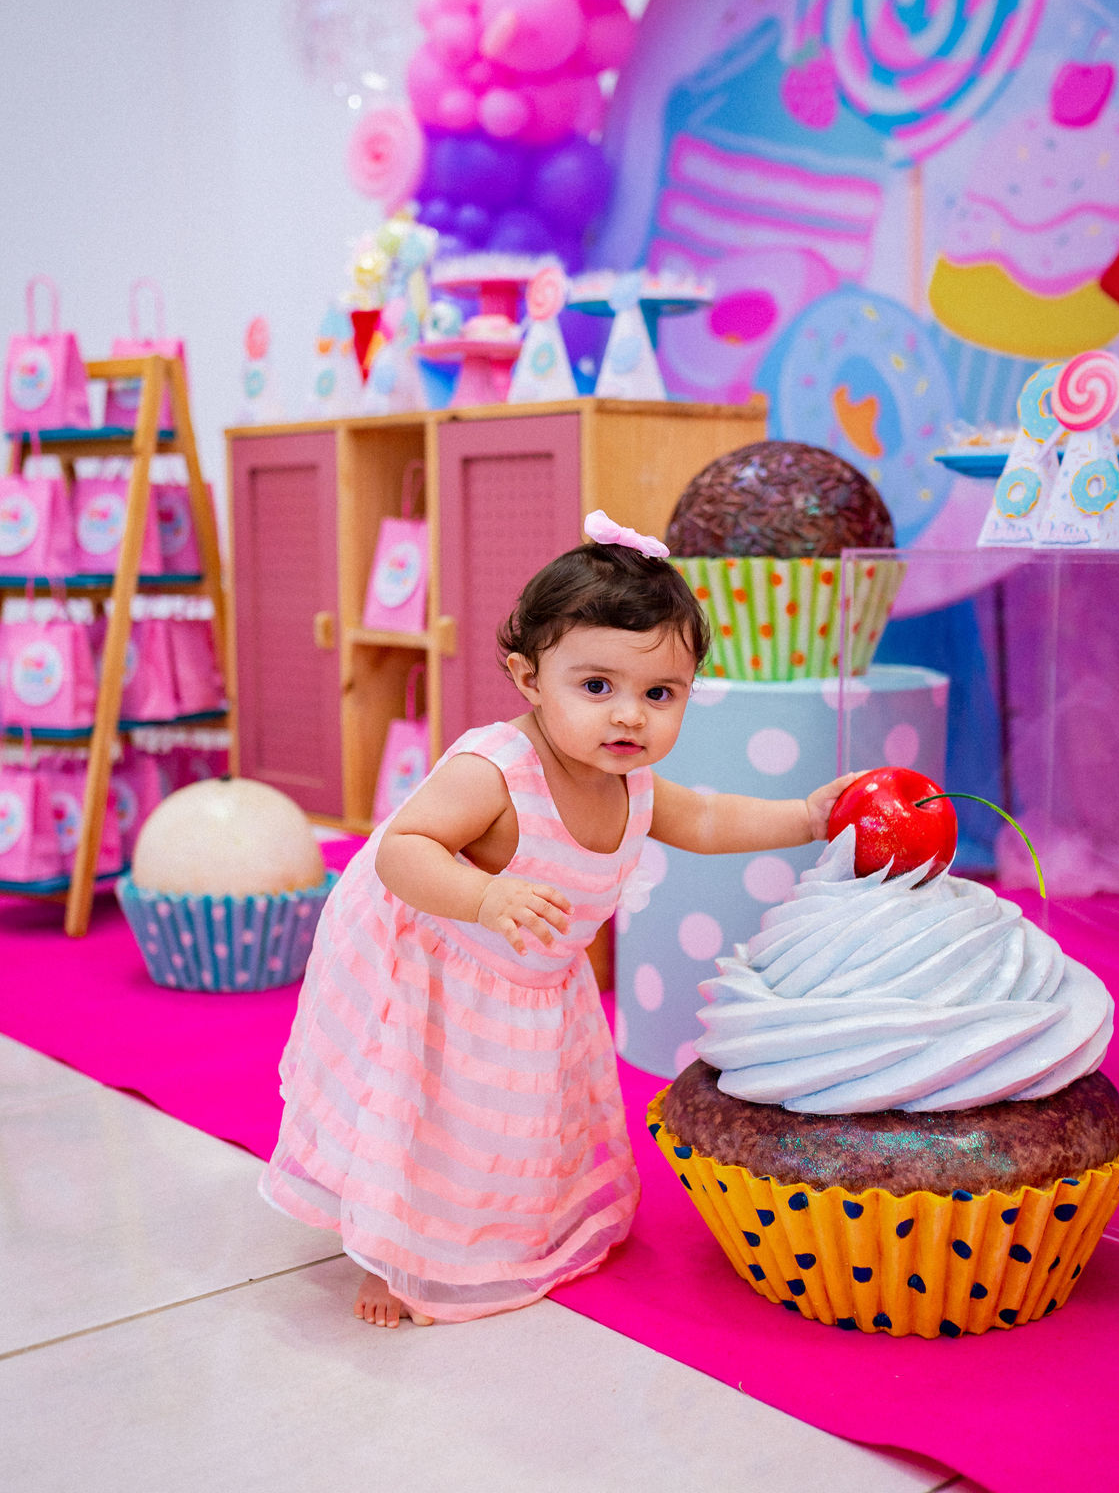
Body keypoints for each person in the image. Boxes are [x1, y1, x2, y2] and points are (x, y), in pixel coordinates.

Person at [259, 513, 859, 1327]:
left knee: (512, 1125)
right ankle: (390, 1253)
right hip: (444, 958)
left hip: (531, 975)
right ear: (529, 677)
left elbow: (709, 819)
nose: (629, 716)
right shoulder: (495, 771)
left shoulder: (633, 784)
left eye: (659, 694)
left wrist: (805, 816)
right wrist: (484, 896)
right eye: (597, 687)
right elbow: (402, 847)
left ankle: (503, 1225)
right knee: (429, 1115)